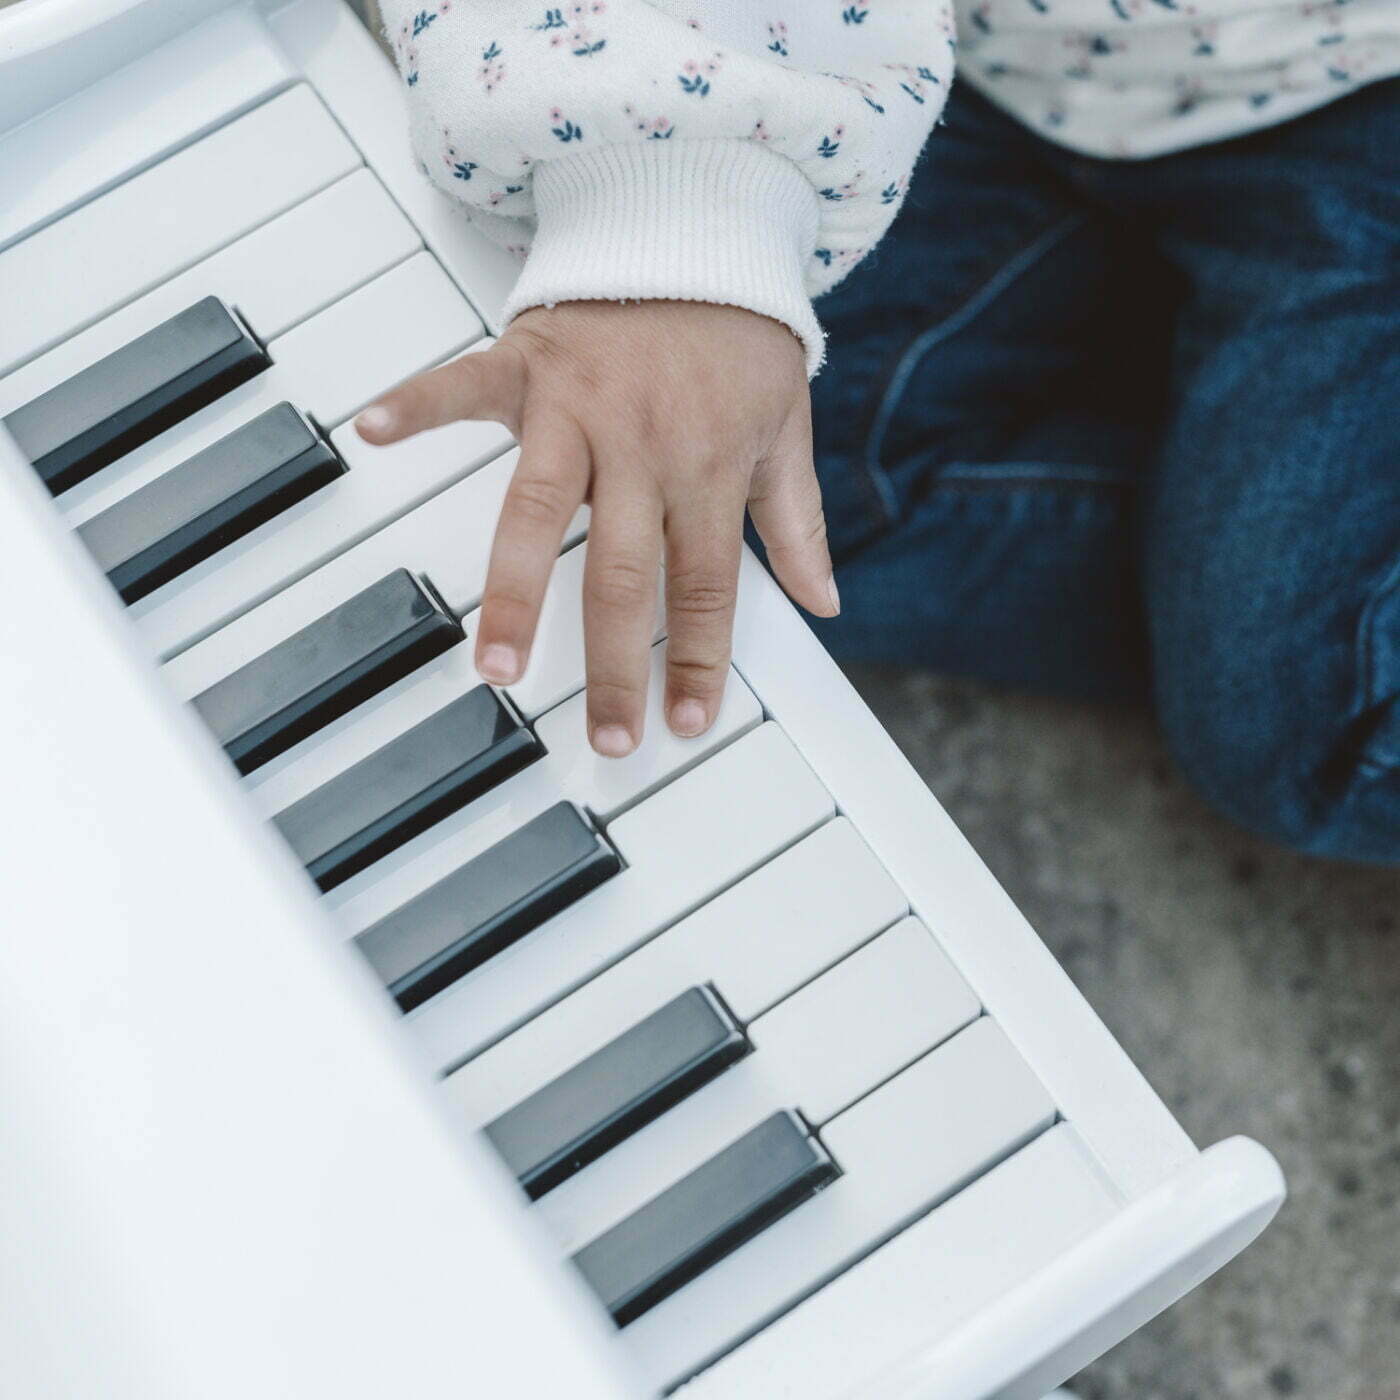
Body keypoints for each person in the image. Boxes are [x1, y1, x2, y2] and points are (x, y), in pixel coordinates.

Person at [355, 1, 1400, 861]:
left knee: (1301, 718)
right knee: (775, 498)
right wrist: (671, 188)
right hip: (1004, 63)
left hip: (1357, 88)